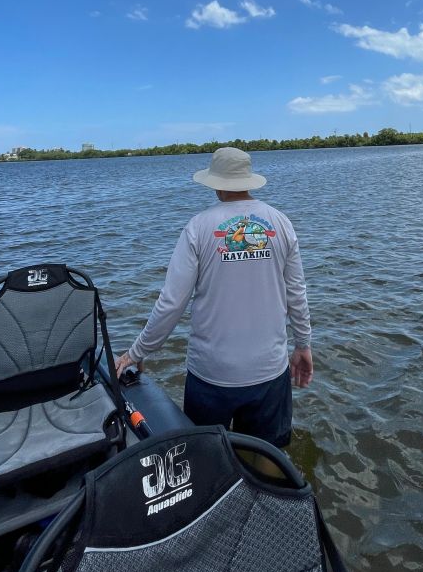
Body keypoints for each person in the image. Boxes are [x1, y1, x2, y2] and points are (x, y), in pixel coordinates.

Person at [115, 147, 312, 448]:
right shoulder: (281, 223)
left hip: (210, 376)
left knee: (208, 463)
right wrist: (303, 344)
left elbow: (171, 303)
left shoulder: (198, 227)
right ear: (248, 180)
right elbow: (296, 292)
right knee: (266, 460)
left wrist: (137, 352)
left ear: (216, 183)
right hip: (269, 373)